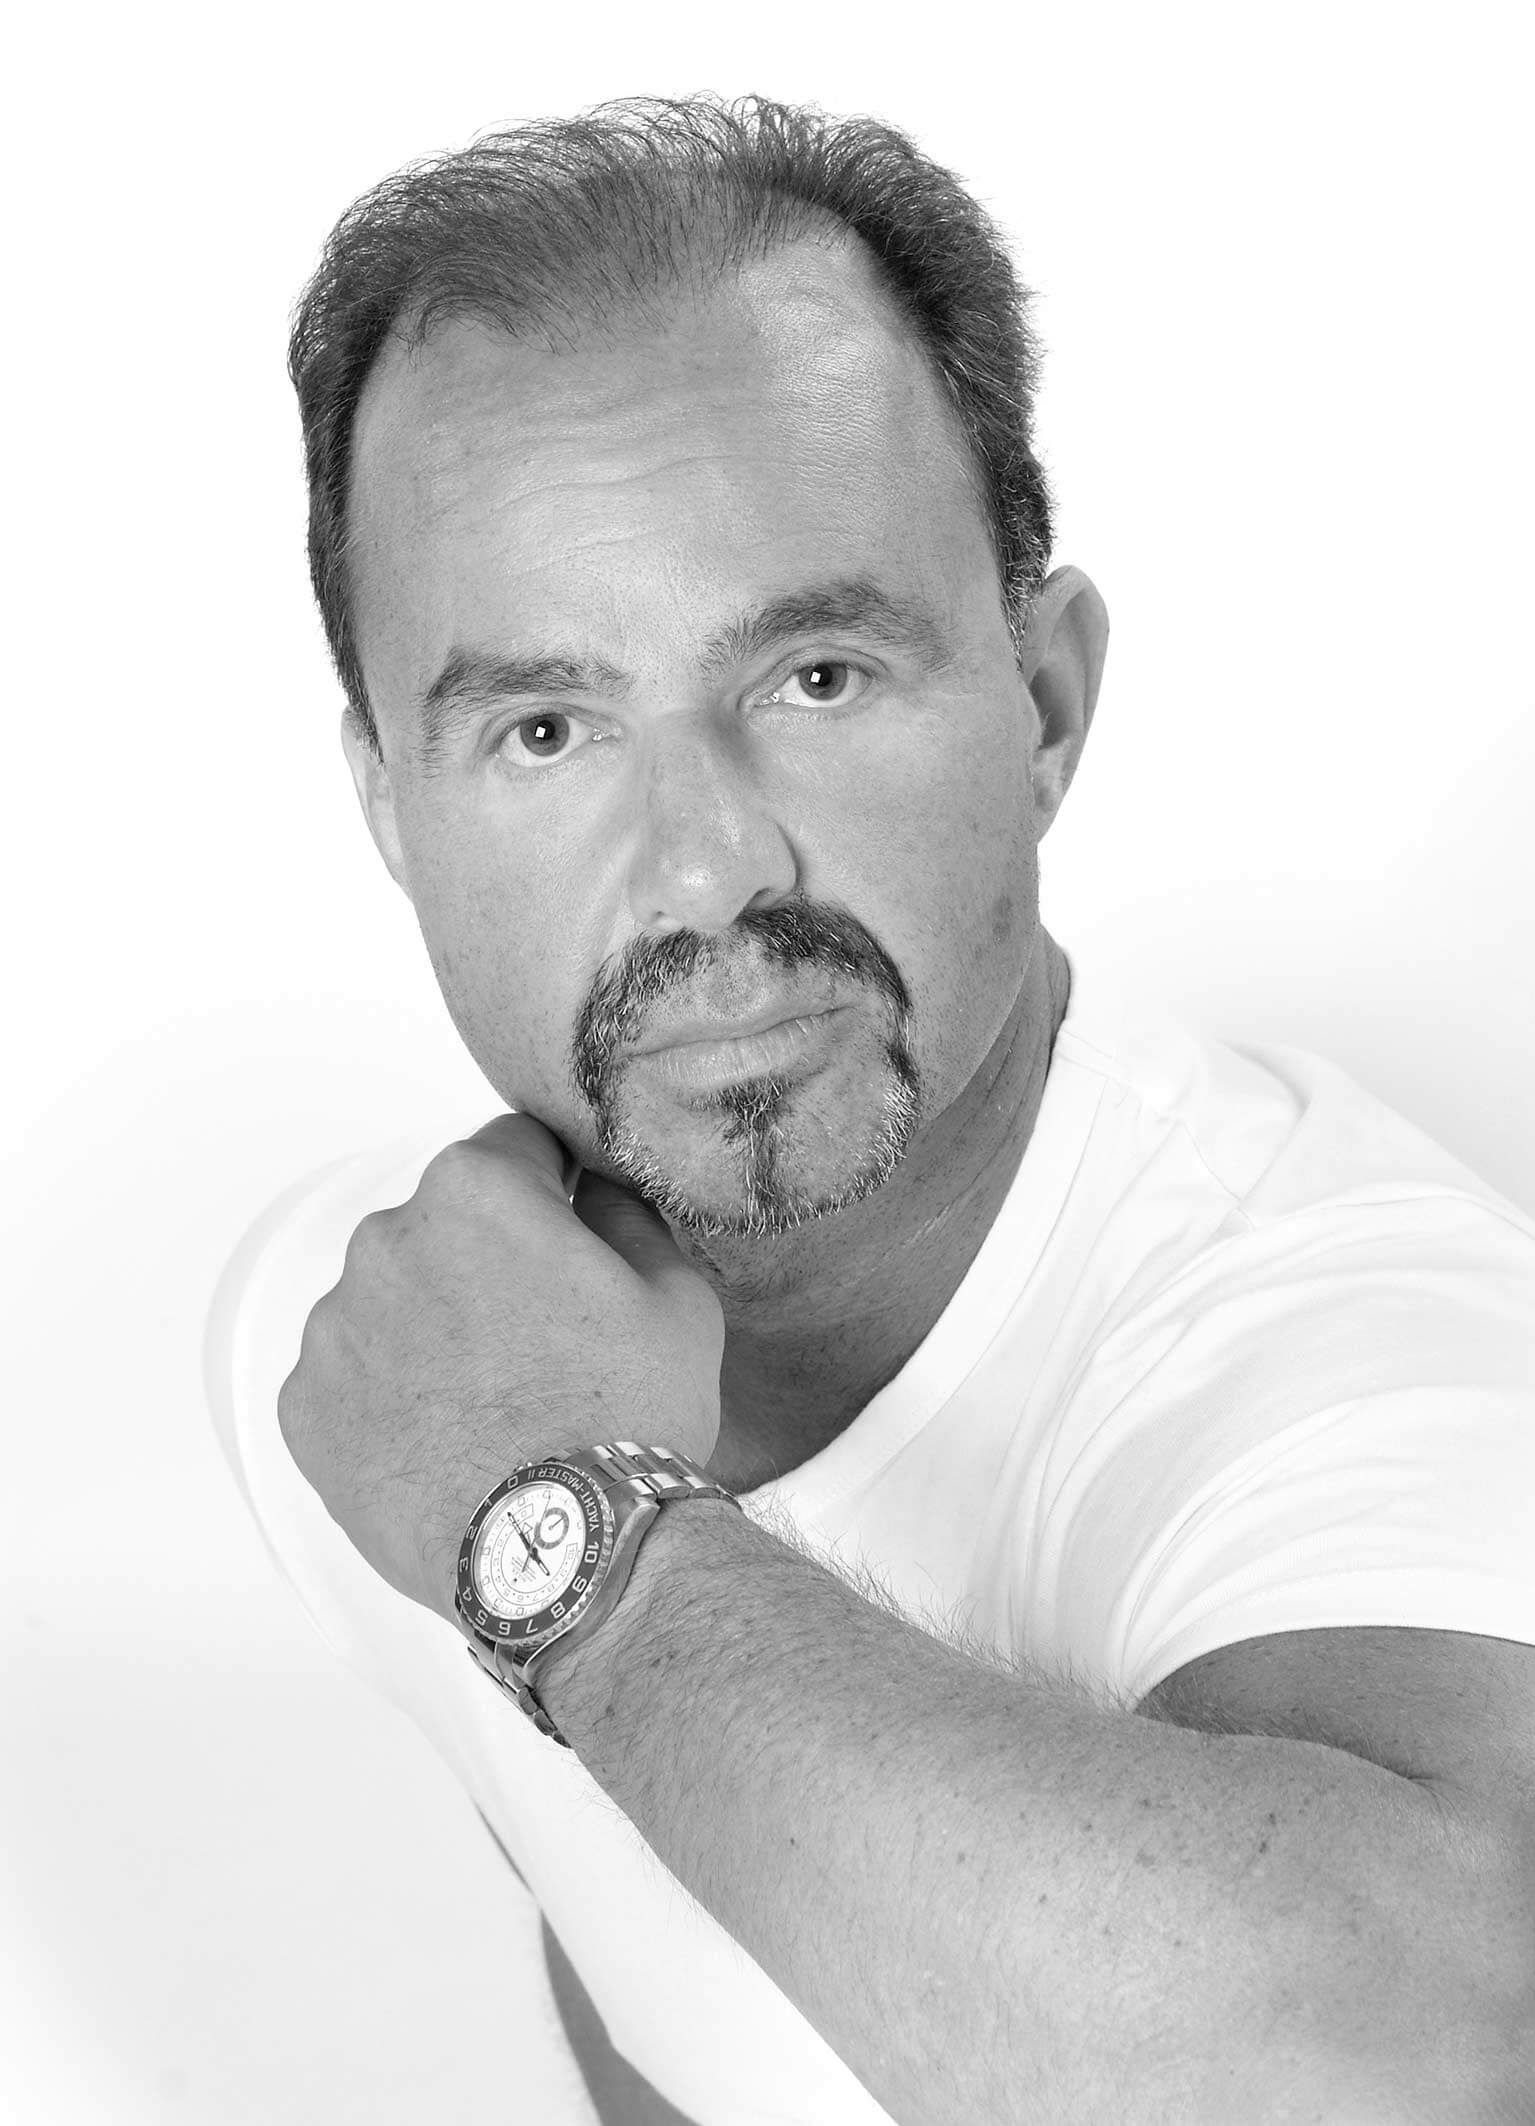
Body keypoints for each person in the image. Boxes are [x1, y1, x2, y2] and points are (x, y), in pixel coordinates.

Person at [206, 93, 1535, 2124]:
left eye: (815, 676)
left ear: (1046, 705)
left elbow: (1411, 2055)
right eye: (545, 728)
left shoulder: (1364, 1331)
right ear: (392, 805)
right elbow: (659, 1993)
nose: (703, 867)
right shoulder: (357, 1361)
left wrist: (553, 1529)